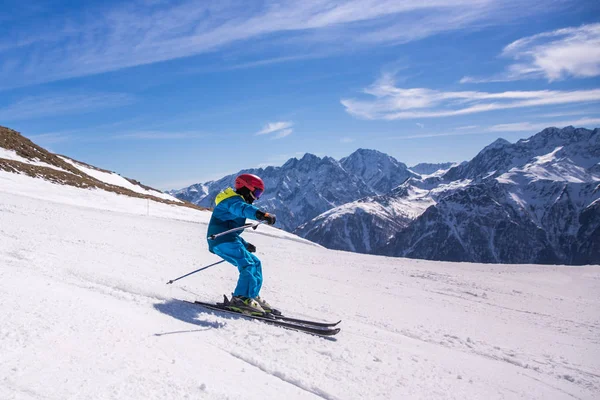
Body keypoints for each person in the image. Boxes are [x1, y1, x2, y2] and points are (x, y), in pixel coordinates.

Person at [206, 173, 277, 315]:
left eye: (260, 194)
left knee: (255, 263)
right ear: (246, 188)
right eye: (257, 192)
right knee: (247, 264)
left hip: (228, 238)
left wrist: (245, 244)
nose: (257, 197)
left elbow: (231, 230)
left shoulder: (235, 201)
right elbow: (242, 209)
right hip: (220, 239)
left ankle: (250, 294)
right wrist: (261, 215)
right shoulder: (232, 202)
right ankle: (241, 299)